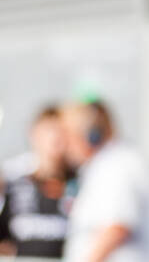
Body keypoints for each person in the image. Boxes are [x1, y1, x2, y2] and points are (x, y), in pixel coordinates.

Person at [60, 101, 149, 262]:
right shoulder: (125, 161)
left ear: (90, 137)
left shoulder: (115, 167)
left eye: (67, 137)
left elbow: (116, 228)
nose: (64, 147)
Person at [0, 105, 75, 258]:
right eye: (49, 131)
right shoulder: (14, 184)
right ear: (33, 133)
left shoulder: (81, 185)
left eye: (61, 132)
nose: (55, 139)